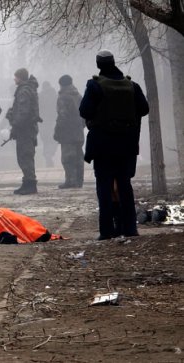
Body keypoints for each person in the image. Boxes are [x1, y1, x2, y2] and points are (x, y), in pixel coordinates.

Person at [79, 49, 149, 240]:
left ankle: (107, 230)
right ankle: (129, 228)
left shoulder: (94, 85)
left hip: (103, 145)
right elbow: (144, 108)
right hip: (126, 145)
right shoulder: (131, 84)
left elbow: (85, 111)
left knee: (104, 186)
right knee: (125, 186)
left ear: (98, 65)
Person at [7, 68, 41, 195]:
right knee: (25, 156)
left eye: (15, 76)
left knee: (25, 156)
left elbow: (23, 112)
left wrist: (15, 125)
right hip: (27, 128)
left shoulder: (24, 90)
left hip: (25, 129)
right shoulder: (27, 89)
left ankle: (30, 184)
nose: (14, 79)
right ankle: (27, 183)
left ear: (20, 77)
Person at [54, 75, 85, 189]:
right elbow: (84, 113)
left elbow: (62, 116)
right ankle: (79, 181)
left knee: (68, 158)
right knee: (78, 157)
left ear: (62, 84)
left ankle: (70, 181)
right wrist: (82, 126)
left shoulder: (63, 97)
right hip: (78, 131)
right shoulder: (78, 95)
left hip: (67, 132)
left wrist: (57, 131)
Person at [38, 81, 58, 167]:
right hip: (53, 121)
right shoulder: (55, 95)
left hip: (43, 122)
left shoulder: (40, 96)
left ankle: (47, 155)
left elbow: (37, 109)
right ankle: (50, 154)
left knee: (45, 140)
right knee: (53, 139)